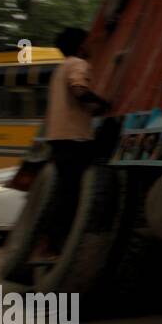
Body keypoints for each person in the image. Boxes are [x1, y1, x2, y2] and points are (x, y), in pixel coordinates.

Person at [41, 28, 110, 252]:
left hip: (58, 138)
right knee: (71, 193)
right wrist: (104, 103)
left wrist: (92, 110)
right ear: (81, 46)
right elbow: (79, 91)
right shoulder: (78, 64)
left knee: (64, 190)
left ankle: (49, 242)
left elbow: (73, 103)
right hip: (74, 139)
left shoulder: (60, 69)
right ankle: (57, 243)